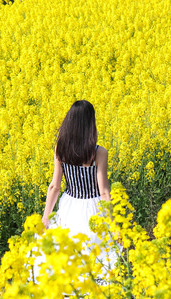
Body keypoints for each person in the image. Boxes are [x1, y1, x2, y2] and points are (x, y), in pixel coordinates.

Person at [37, 100, 119, 279]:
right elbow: (104, 191)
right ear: (91, 124)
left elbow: (55, 186)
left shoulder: (61, 148)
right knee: (96, 257)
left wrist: (45, 217)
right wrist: (113, 224)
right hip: (94, 208)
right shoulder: (99, 152)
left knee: (70, 253)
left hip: (70, 206)